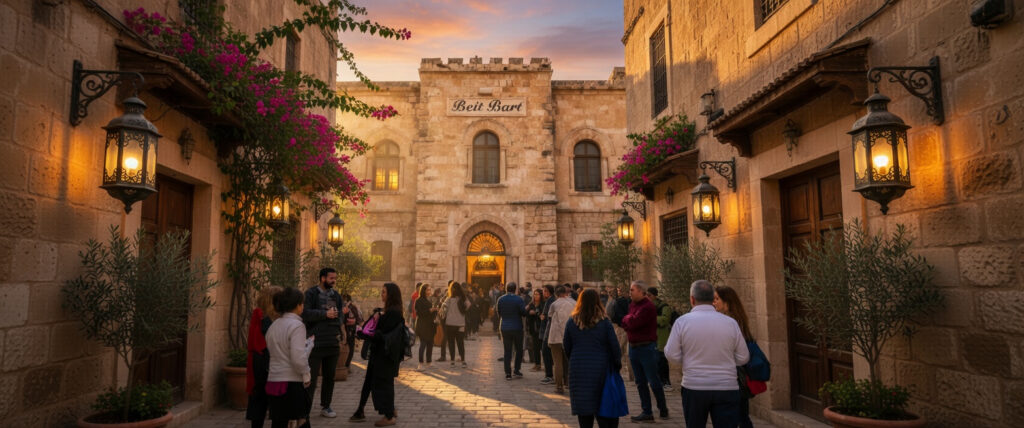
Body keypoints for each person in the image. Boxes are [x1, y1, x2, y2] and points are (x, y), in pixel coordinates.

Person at [665, 280, 750, 428]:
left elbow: (671, 354)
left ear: (692, 299)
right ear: (712, 298)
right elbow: (744, 357)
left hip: (694, 386)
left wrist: (688, 360)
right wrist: (726, 361)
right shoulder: (730, 323)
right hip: (726, 387)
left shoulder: (682, 322)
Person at [564, 289, 623, 428]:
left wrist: (574, 360)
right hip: (601, 368)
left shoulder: (572, 322)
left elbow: (566, 346)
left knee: (584, 413)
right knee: (602, 408)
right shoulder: (604, 322)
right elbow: (614, 346)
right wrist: (616, 365)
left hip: (578, 369)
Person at [621, 280, 669, 422]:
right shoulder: (633, 305)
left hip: (647, 348)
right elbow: (625, 322)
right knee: (640, 381)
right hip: (634, 347)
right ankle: (647, 411)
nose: (630, 292)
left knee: (653, 380)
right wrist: (628, 319)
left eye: (632, 290)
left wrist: (628, 320)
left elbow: (633, 323)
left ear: (642, 292)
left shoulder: (648, 307)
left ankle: (663, 407)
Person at [265, 287, 312, 428]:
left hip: (274, 380)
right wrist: (306, 374)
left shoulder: (274, 325)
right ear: (297, 305)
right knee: (302, 420)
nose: (303, 307)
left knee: (278, 422)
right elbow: (298, 358)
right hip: (291, 382)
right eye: (302, 303)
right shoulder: (297, 326)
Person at [301, 267, 345, 418]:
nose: (334, 281)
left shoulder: (337, 296)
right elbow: (305, 313)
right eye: (331, 278)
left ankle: (326, 406)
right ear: (322, 278)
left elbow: (340, 317)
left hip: (332, 342)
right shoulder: (311, 293)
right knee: (311, 379)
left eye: (335, 278)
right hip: (315, 343)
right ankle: (305, 409)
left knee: (329, 377)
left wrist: (341, 332)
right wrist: (325, 314)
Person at [714, 285, 757, 428]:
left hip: (737, 376)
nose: (713, 302)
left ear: (727, 301)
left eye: (717, 299)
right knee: (741, 415)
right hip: (735, 375)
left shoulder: (731, 322)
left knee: (740, 416)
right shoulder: (734, 319)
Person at [363, 282, 405, 427]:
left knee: (382, 385)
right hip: (386, 356)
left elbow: (383, 335)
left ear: (391, 295)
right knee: (386, 384)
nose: (382, 295)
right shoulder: (393, 311)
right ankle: (391, 410)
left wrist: (370, 328)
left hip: (385, 356)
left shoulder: (392, 313)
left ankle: (388, 417)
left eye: (384, 292)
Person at [246, 286, 281, 428]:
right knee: (267, 397)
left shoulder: (259, 313)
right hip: (265, 358)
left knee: (258, 398)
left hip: (259, 358)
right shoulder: (265, 315)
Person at [546, 284, 576, 393]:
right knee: (568, 360)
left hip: (555, 336)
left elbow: (549, 316)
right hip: (570, 335)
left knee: (557, 362)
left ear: (556, 294)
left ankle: (559, 386)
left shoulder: (554, 304)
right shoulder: (574, 303)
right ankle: (569, 383)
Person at [497, 282, 528, 379]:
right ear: (515, 289)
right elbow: (523, 313)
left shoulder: (500, 299)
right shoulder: (519, 299)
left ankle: (508, 373)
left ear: (506, 289)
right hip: (517, 327)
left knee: (507, 351)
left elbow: (499, 313)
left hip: (505, 327)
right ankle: (516, 370)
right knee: (519, 350)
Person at [647, 287, 674, 392]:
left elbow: (665, 320)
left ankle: (666, 382)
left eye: (649, 295)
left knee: (662, 360)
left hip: (661, 337)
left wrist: (651, 318)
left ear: (654, 296)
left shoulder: (664, 306)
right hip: (649, 337)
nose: (647, 297)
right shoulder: (645, 306)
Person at [606, 285, 633, 382]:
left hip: (621, 328)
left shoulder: (617, 302)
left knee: (618, 351)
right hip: (630, 328)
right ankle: (631, 376)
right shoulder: (631, 302)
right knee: (629, 352)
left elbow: (612, 315)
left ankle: (616, 372)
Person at [443, 281, 470, 367]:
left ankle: (452, 361)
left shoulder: (449, 299)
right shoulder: (463, 298)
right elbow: (468, 305)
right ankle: (463, 361)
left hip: (450, 324)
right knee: (460, 342)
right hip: (460, 324)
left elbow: (443, 310)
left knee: (451, 343)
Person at [414, 283, 437, 370]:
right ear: (423, 291)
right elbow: (419, 313)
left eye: (430, 290)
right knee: (423, 344)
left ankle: (429, 362)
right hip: (422, 325)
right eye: (427, 290)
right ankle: (420, 363)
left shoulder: (429, 300)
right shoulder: (419, 300)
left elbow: (430, 313)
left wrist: (435, 310)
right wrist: (429, 310)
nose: (429, 291)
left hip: (430, 325)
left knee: (430, 344)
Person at [539, 284, 556, 384]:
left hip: (548, 330)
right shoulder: (549, 301)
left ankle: (549, 375)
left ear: (548, 291)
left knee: (546, 352)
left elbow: (549, 316)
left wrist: (543, 317)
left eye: (545, 291)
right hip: (547, 330)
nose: (543, 293)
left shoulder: (551, 301)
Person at [341, 293, 363, 369]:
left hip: (348, 330)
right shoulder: (351, 307)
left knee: (348, 348)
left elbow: (358, 319)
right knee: (349, 348)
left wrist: (353, 321)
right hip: (348, 330)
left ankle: (346, 365)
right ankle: (346, 365)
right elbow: (359, 319)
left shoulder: (350, 307)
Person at [525, 289, 544, 371]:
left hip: (541, 328)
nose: (536, 296)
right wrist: (528, 311)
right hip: (533, 329)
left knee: (543, 348)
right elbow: (526, 314)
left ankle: (547, 364)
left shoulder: (543, 304)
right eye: (535, 294)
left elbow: (543, 316)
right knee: (535, 347)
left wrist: (535, 313)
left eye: (537, 294)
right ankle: (537, 364)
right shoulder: (531, 304)